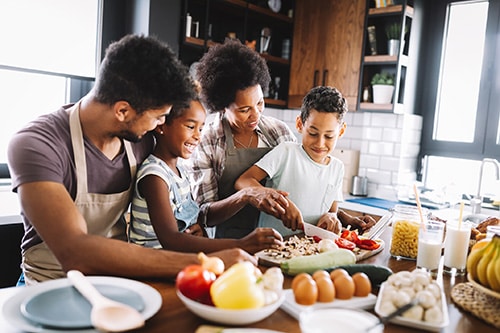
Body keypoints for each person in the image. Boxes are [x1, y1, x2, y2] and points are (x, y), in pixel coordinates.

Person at [7, 34, 255, 285]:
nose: (161, 125)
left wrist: (191, 227)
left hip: (116, 280)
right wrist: (206, 261)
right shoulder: (36, 145)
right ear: (123, 111)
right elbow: (75, 252)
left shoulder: (141, 141)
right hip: (49, 283)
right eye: (159, 117)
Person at [129, 85, 282, 254]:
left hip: (177, 257)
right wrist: (241, 244)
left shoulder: (180, 169)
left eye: (200, 128)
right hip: (153, 262)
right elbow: (171, 239)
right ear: (161, 125)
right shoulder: (155, 177)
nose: (198, 136)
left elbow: (196, 219)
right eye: (190, 126)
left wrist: (199, 226)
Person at [190, 39, 298, 239]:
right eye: (244, 109)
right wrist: (246, 196)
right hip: (228, 242)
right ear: (223, 106)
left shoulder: (277, 132)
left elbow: (302, 179)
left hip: (278, 239)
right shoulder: (207, 140)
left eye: (260, 103)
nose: (255, 115)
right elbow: (205, 214)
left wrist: (336, 213)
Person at [235, 86, 377, 236]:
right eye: (313, 133)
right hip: (272, 246)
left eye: (329, 136)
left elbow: (331, 211)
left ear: (341, 132)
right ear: (300, 125)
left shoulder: (337, 168)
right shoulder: (286, 152)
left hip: (310, 250)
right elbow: (243, 181)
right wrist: (278, 200)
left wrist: (331, 217)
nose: (320, 143)